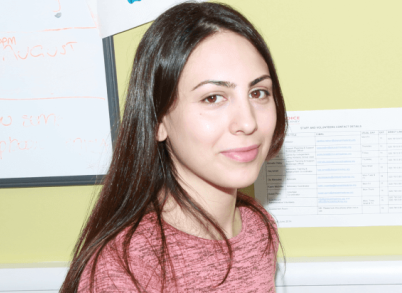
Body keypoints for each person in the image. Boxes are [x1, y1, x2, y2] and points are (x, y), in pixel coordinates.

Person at [59, 2, 287, 292]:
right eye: (213, 98)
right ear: (158, 121)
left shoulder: (257, 227)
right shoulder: (125, 267)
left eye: (258, 92)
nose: (247, 122)